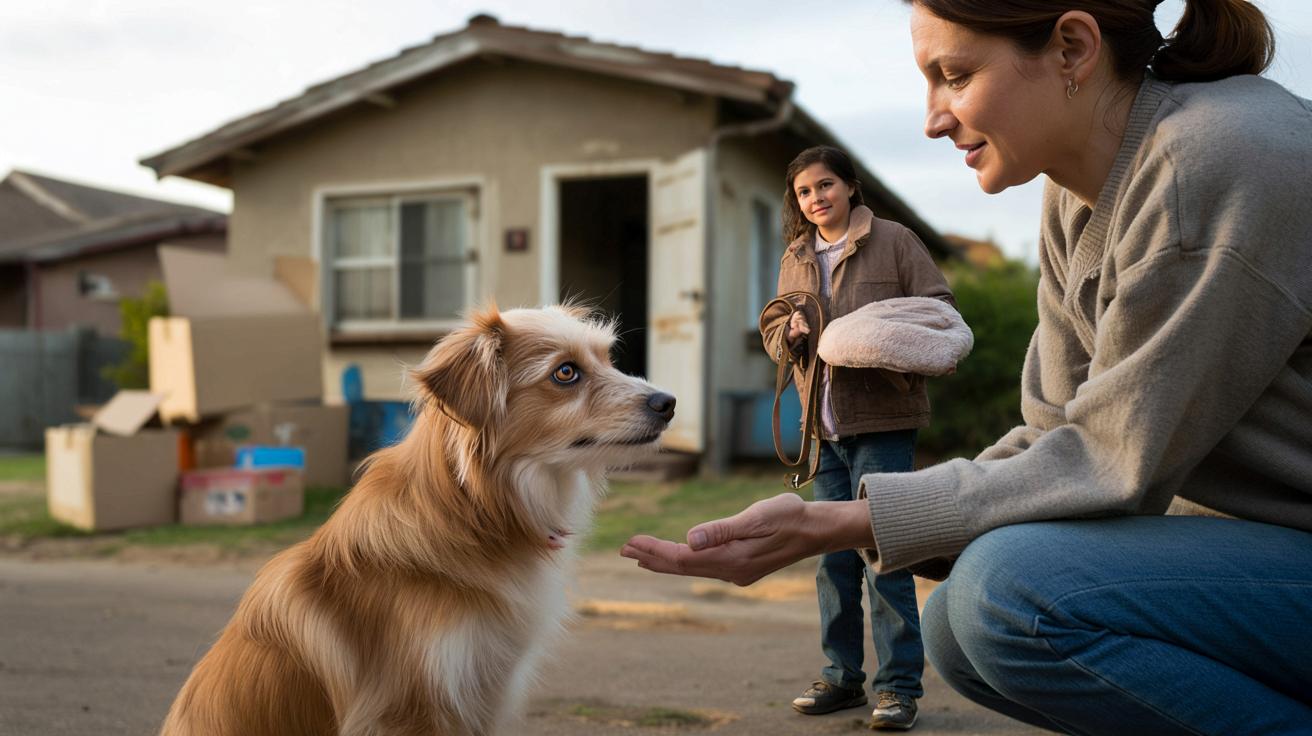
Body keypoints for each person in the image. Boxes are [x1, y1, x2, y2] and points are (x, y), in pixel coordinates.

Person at [621, 1, 1312, 733]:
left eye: (954, 75)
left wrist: (837, 521)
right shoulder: (1077, 196)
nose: (933, 119)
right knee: (956, 626)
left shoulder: (1211, 162)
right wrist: (848, 513)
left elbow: (1109, 459)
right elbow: (1057, 437)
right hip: (1256, 550)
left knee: (1005, 595)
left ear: (1073, 48)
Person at [760, 145, 956, 730]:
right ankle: (841, 678)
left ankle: (897, 689)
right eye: (804, 192)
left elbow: (940, 312)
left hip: (883, 422)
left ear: (849, 186)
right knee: (834, 561)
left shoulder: (895, 240)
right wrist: (788, 331)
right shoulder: (795, 256)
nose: (815, 199)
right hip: (821, 430)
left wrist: (879, 339)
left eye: (825, 186)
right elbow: (772, 325)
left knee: (885, 559)